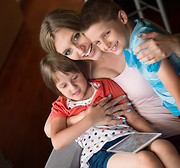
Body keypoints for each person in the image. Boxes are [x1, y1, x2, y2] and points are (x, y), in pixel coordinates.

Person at [40, 8, 180, 139]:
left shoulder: (125, 34)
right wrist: (87, 116)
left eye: (76, 36)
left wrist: (174, 42)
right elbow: (49, 129)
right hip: (155, 139)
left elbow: (174, 54)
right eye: (68, 51)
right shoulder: (80, 75)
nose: (80, 49)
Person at [40, 53, 180, 168]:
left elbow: (132, 117)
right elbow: (57, 142)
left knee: (163, 146)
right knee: (146, 160)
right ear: (57, 89)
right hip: (99, 153)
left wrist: (152, 136)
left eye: (75, 77)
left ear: (81, 72)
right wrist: (91, 119)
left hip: (128, 138)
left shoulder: (104, 85)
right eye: (64, 85)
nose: (73, 87)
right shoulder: (61, 106)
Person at [80, 0, 180, 117]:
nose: (106, 45)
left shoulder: (142, 44)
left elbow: (175, 87)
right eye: (97, 42)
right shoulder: (133, 32)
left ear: (122, 17)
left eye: (106, 33)